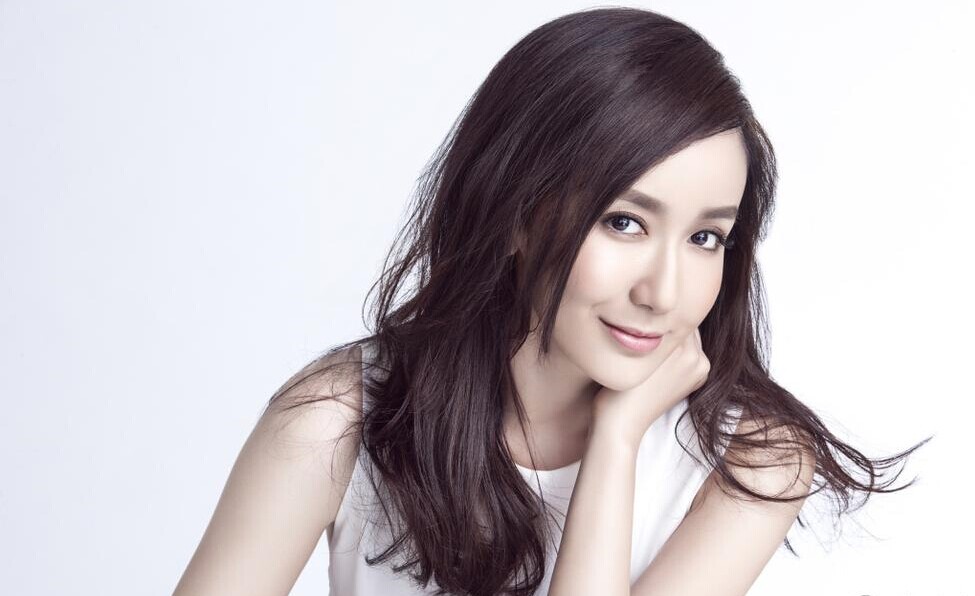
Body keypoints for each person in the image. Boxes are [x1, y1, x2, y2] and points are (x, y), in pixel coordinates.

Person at [173, 7, 930, 596]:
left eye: (706, 238)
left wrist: (617, 441)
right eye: (624, 222)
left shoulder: (754, 461)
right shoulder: (336, 419)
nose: (663, 293)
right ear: (515, 213)